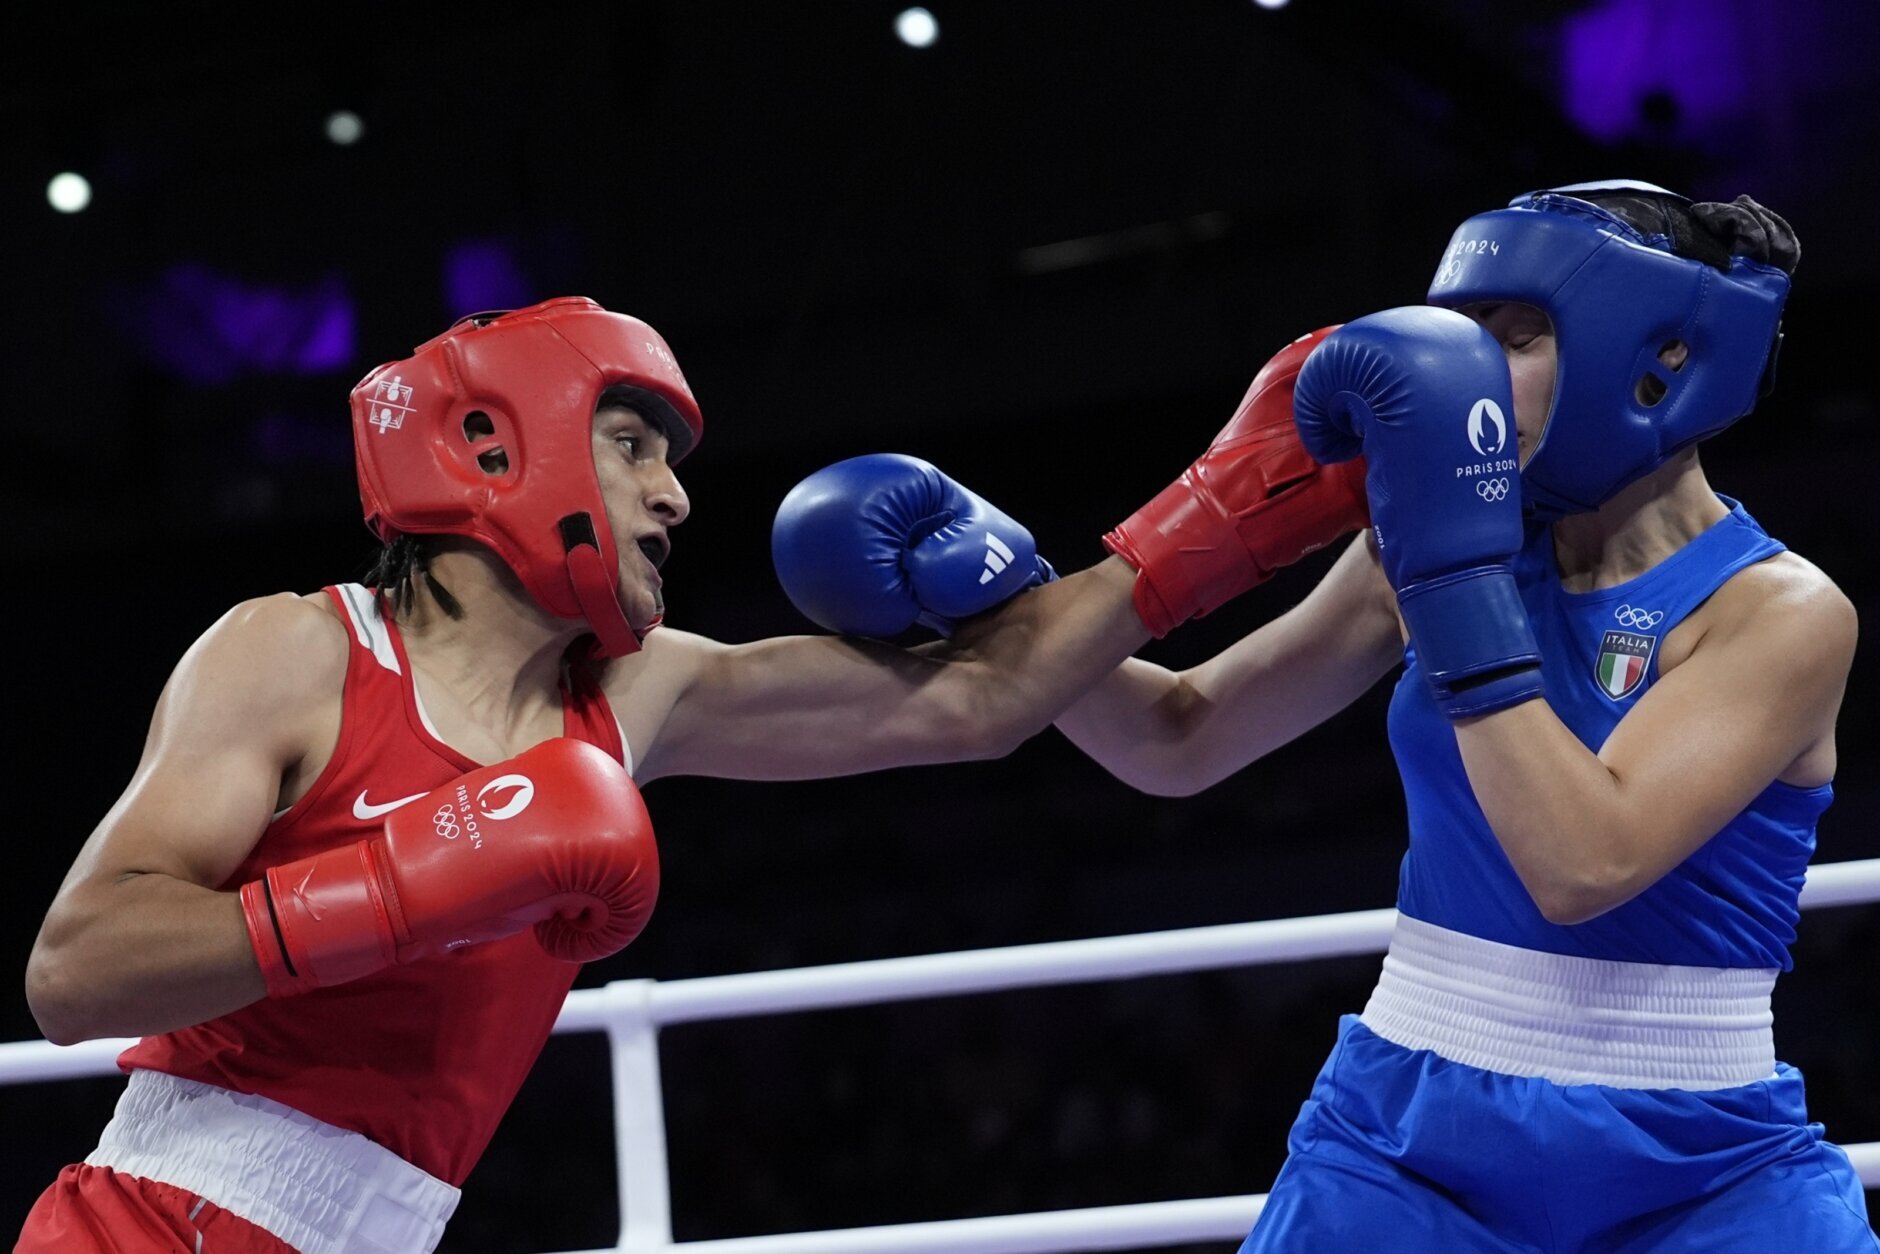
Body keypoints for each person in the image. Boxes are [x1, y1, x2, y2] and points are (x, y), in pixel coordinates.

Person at [18, 295, 1367, 1252]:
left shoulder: (634, 695)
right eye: (634, 448)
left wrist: (1206, 521)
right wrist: (400, 880)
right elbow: (74, 972)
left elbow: (983, 698)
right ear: (500, 445)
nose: (674, 497)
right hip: (154, 1223)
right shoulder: (297, 652)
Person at [1045, 181, 1872, 1250]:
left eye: (1516, 339)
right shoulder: (1427, 549)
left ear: (1658, 358)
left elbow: (1581, 863)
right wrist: (1004, 602)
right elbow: (1180, 737)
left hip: (1700, 1167)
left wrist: (1449, 579)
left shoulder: (1777, 614)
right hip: (1405, 1143)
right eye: (1460, 339)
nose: (1465, 379)